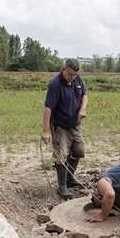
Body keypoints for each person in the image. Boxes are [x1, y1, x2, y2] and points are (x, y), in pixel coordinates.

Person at [42, 58, 88, 199]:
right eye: (70, 74)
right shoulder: (55, 84)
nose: (72, 77)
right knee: (61, 156)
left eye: (75, 75)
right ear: (63, 70)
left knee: (79, 150)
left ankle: (69, 178)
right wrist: (45, 131)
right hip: (60, 126)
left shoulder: (77, 79)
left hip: (74, 124)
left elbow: (85, 95)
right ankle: (62, 186)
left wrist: (83, 109)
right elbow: (48, 108)